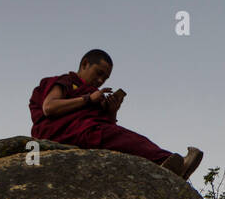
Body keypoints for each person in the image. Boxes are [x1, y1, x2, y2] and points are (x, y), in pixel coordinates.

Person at [29, 49, 202, 179]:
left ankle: (169, 165)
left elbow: (98, 122)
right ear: (84, 64)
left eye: (105, 78)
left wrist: (111, 111)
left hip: (83, 130)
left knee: (123, 137)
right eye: (99, 73)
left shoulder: (92, 94)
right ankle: (168, 162)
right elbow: (49, 107)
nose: (100, 80)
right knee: (123, 138)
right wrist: (88, 98)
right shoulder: (67, 82)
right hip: (59, 131)